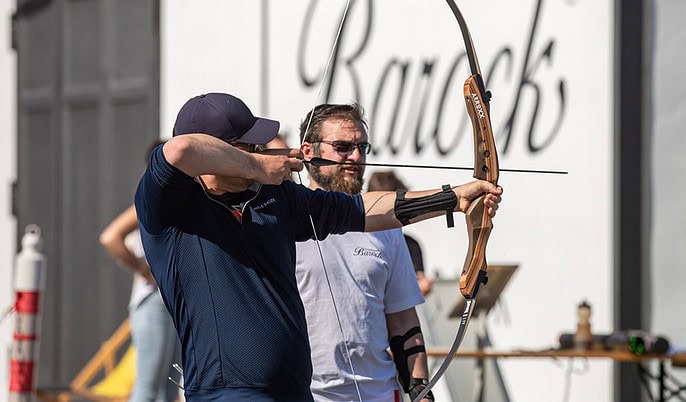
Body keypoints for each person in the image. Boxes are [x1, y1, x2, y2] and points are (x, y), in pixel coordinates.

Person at [134, 92, 502, 401]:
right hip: (227, 392)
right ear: (223, 149)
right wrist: (259, 166)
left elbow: (365, 210)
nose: (261, 150)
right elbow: (181, 150)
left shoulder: (274, 200)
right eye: (250, 145)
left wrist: (453, 198)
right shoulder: (170, 209)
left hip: (293, 392)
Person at [296, 104, 433, 401]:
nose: (356, 157)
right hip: (306, 393)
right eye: (342, 147)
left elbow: (403, 319)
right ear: (308, 151)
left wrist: (421, 390)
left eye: (362, 147)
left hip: (378, 392)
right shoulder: (283, 218)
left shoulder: (386, 227)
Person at [99, 141, 180, 402]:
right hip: (152, 301)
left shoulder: (177, 201)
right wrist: (144, 270)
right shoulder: (151, 200)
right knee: (148, 387)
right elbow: (110, 237)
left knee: (169, 388)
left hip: (172, 301)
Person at [367, 171, 434, 297]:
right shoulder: (358, 241)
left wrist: (420, 287)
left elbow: (419, 280)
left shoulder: (410, 244)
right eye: (402, 207)